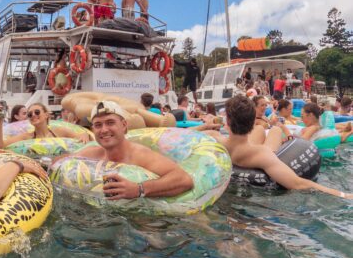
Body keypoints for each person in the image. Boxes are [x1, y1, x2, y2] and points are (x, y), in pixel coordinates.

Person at [211, 96, 352, 199]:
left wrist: (207, 125)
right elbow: (298, 184)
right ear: (252, 120)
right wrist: (343, 194)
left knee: (260, 130)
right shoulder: (262, 155)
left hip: (235, 151)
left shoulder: (216, 141)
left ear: (227, 121)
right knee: (276, 130)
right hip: (252, 155)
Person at [72, 100, 193, 199]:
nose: (104, 130)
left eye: (110, 122)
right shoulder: (92, 153)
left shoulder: (140, 155)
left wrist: (139, 189)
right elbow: (59, 162)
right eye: (98, 125)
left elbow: (184, 179)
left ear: (124, 125)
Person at [4, 103, 91, 146]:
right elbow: (0, 146)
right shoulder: (27, 136)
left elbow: (81, 135)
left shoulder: (59, 131)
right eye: (30, 114)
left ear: (46, 115)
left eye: (37, 112)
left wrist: (85, 134)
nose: (33, 115)